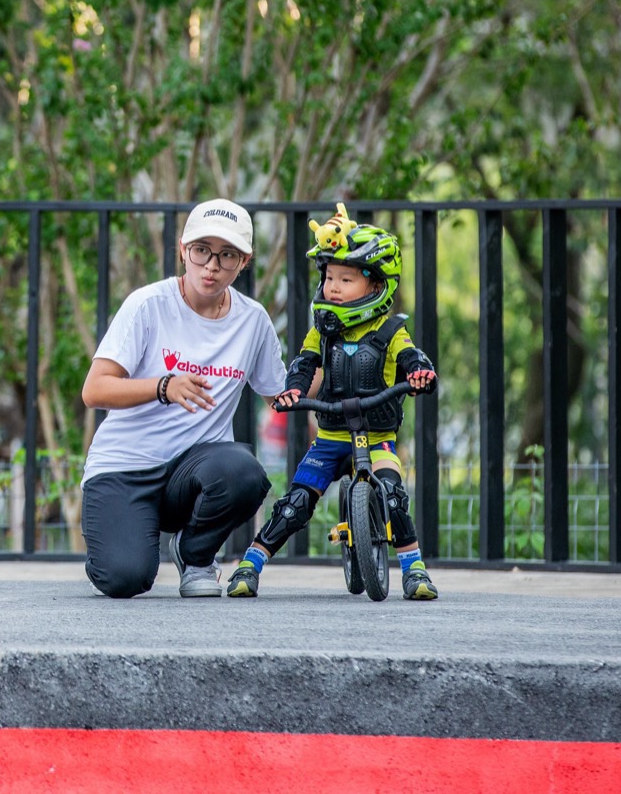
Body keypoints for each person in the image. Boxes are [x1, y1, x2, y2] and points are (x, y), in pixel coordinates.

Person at [225, 207, 440, 600]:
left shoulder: (391, 330)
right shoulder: (321, 334)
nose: (333, 287)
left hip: (377, 439)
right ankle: (250, 565)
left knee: (393, 495)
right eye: (328, 278)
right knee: (295, 503)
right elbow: (304, 366)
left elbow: (412, 357)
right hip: (330, 437)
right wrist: (293, 390)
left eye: (345, 279)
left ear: (376, 286)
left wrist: (420, 373)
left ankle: (415, 571)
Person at [80, 199, 287, 598]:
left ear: (243, 262)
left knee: (244, 472)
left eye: (227, 255)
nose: (211, 265)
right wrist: (163, 386)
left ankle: (195, 556)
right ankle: (116, 534)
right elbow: (95, 389)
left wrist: (337, 349)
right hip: (125, 467)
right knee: (125, 578)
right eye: (201, 251)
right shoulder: (148, 305)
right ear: (182, 251)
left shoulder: (253, 320)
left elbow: (280, 397)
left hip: (191, 475)